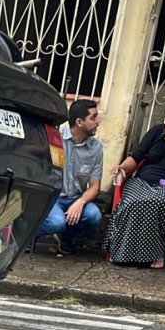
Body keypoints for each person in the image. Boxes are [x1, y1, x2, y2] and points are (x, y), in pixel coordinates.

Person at [37, 99, 104, 254]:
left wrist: (80, 202)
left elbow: (95, 187)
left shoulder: (96, 148)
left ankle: (66, 237)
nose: (98, 121)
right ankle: (21, 235)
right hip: (51, 197)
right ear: (79, 122)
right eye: (93, 118)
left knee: (93, 215)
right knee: (56, 221)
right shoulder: (56, 137)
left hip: (74, 198)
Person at [104, 118, 165, 267]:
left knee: (160, 202)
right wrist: (121, 167)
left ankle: (155, 255)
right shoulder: (158, 131)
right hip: (143, 179)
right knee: (132, 202)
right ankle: (121, 253)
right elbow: (137, 155)